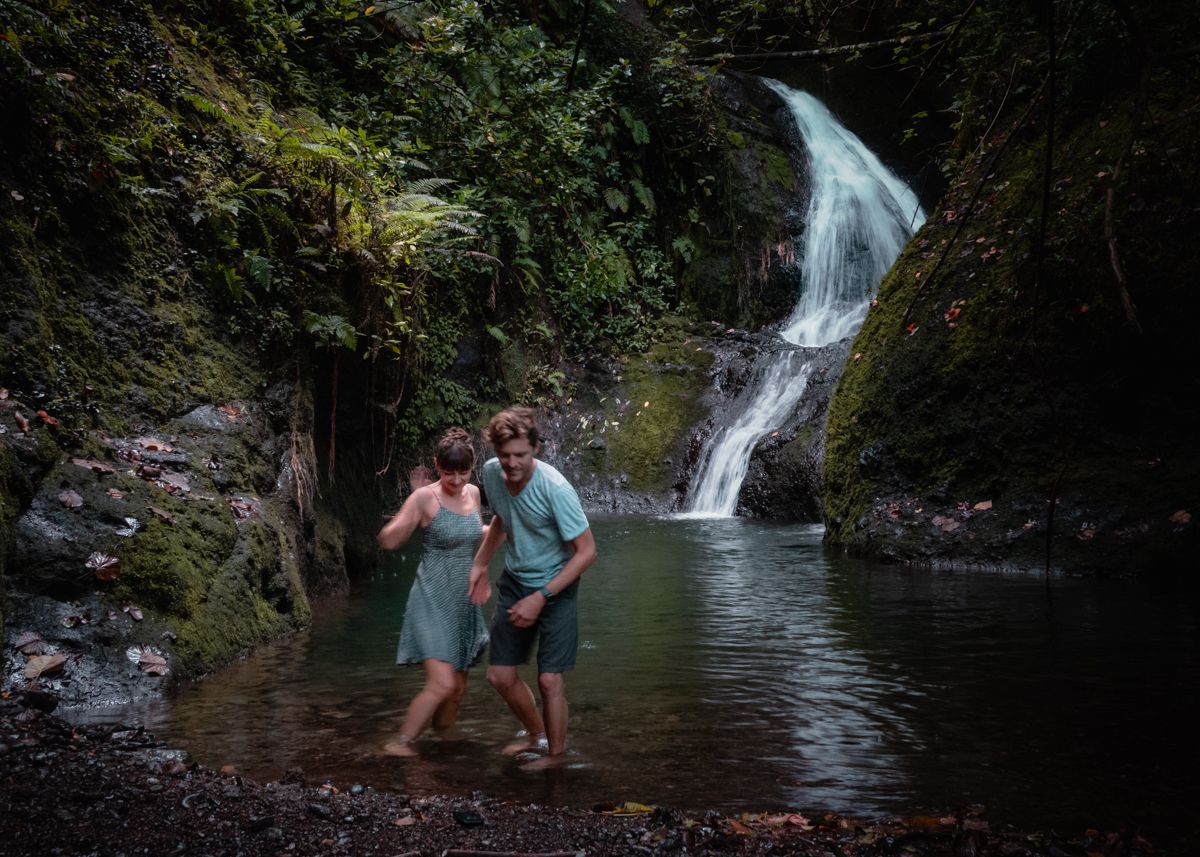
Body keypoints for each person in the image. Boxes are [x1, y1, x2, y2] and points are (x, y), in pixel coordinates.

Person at [468, 407, 597, 764]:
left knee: (549, 680)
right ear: (494, 450)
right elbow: (502, 519)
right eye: (504, 455)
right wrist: (479, 564)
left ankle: (555, 758)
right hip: (515, 579)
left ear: (536, 448)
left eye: (520, 455)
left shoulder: (556, 489)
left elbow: (587, 553)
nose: (512, 463)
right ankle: (537, 736)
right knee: (499, 675)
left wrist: (541, 597)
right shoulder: (492, 474)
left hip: (556, 588)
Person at [378, 427, 489, 757]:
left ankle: (444, 736)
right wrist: (412, 503)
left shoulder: (474, 493)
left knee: (457, 688)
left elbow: (474, 532)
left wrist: (500, 530)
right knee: (441, 683)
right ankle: (399, 744)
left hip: (463, 600)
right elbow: (389, 539)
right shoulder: (426, 498)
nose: (456, 480)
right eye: (448, 471)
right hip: (431, 598)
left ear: (472, 468)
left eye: (463, 472)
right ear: (437, 465)